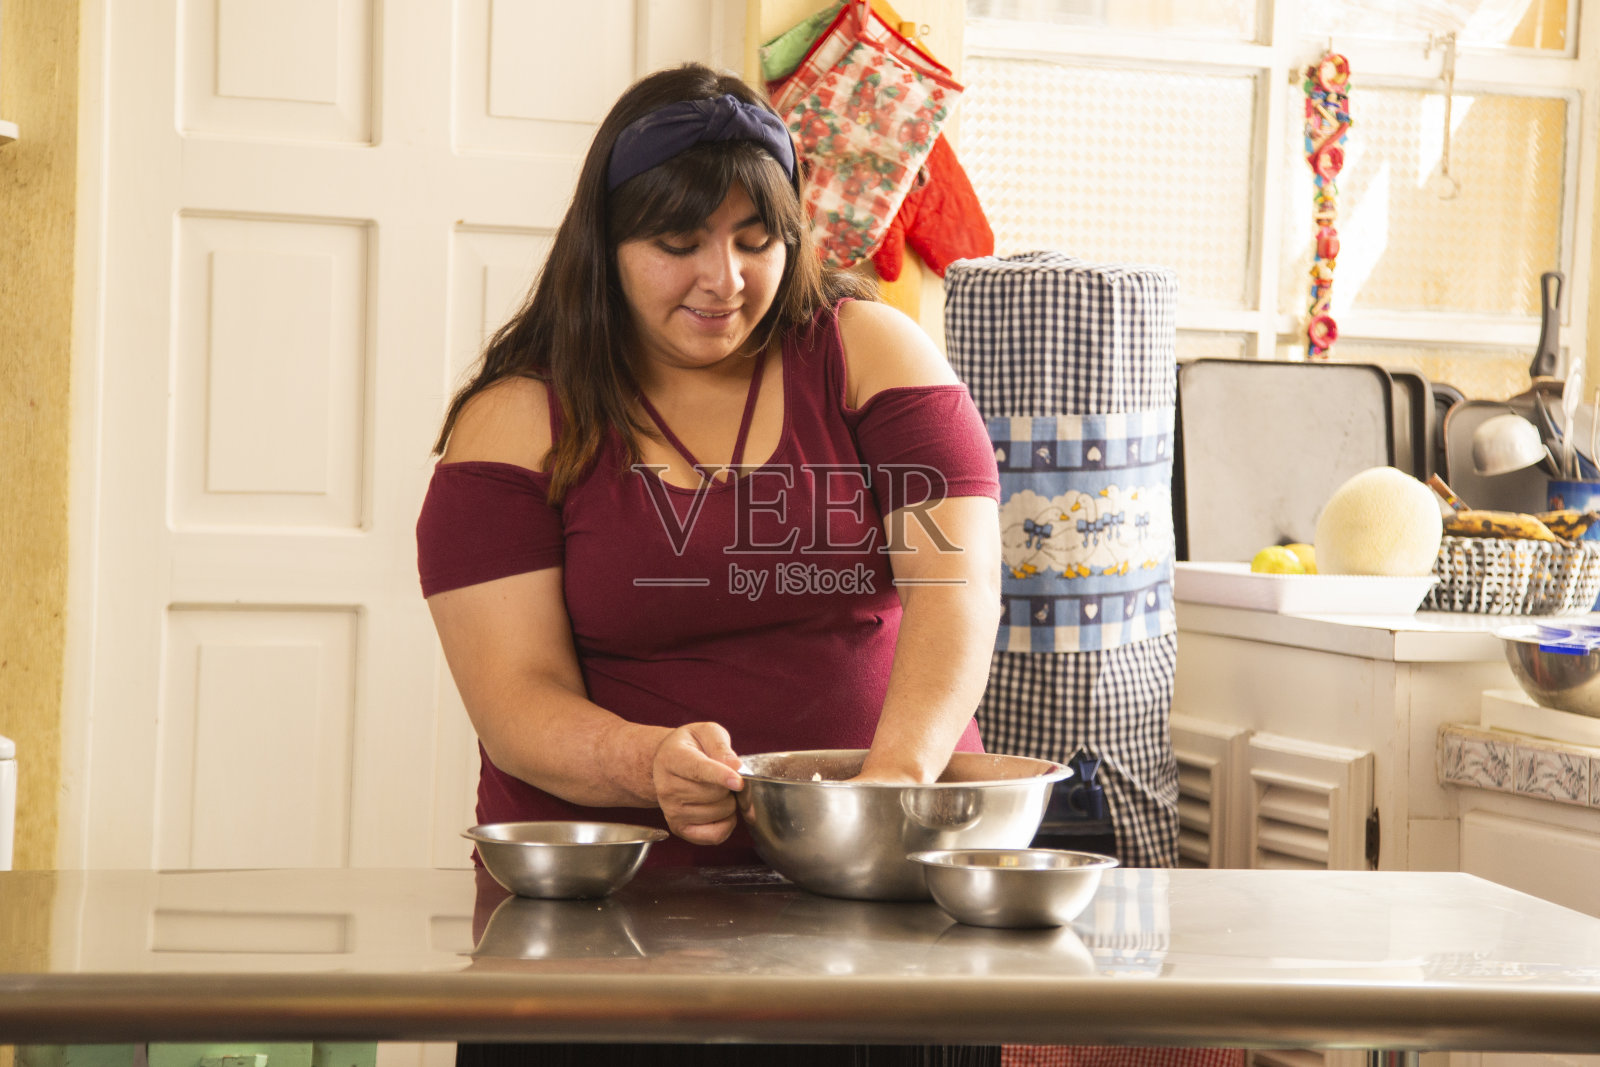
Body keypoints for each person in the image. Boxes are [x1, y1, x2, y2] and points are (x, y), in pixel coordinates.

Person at [417, 62, 1003, 1065]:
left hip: (873, 900)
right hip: (607, 929)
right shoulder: (514, 421)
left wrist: (885, 793)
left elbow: (956, 594)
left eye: (753, 239)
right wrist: (645, 762)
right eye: (676, 242)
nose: (722, 280)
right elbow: (514, 699)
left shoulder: (872, 355)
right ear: (605, 245)